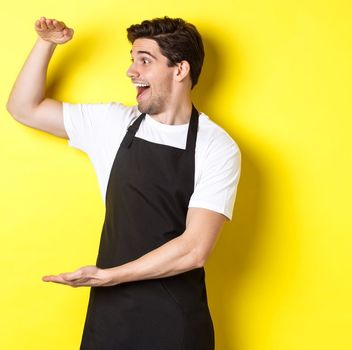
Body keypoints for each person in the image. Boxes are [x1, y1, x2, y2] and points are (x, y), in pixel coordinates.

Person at [6, 16, 241, 349]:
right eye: (132, 60)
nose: (131, 71)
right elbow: (23, 108)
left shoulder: (215, 146)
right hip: (110, 318)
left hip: (176, 324)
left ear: (180, 70)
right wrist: (47, 44)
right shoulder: (114, 124)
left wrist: (109, 276)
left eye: (144, 60)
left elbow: (194, 250)